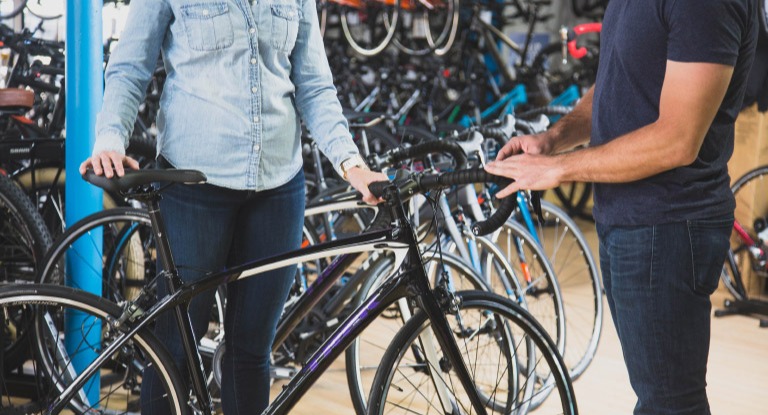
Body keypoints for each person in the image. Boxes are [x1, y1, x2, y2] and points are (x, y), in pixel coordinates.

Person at [79, 0, 387, 413]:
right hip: (195, 185)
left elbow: (314, 85)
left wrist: (353, 165)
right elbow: (129, 66)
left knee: (252, 350)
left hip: (278, 186)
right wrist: (110, 139)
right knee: (174, 348)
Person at [485, 0, 758, 413]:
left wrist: (558, 169)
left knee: (669, 402)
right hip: (628, 220)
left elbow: (677, 140)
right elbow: (619, 82)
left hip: (667, 226)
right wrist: (555, 139)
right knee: (658, 394)